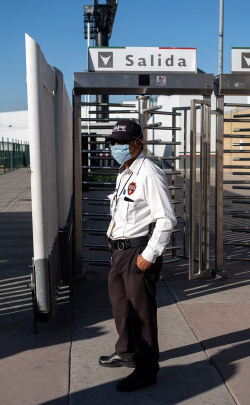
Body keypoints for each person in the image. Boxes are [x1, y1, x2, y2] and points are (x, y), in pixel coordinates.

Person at [100, 119, 176, 392]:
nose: (116, 147)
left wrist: (150, 254)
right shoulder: (124, 172)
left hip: (138, 252)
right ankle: (126, 352)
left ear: (138, 143)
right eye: (114, 142)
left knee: (142, 312)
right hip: (119, 253)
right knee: (121, 306)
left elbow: (166, 219)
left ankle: (147, 369)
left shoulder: (150, 173)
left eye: (122, 143)